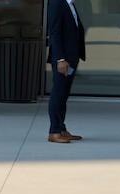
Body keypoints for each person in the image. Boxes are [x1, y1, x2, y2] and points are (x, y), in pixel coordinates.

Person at [46, 0, 87, 143]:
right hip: (63, 59)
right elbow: (55, 32)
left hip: (71, 57)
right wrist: (60, 59)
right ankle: (54, 131)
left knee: (63, 94)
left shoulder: (70, 4)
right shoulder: (57, 3)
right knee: (58, 93)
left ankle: (61, 128)